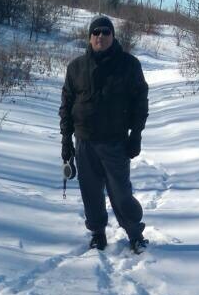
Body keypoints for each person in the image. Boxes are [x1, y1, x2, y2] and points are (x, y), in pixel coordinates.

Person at [60, 15, 149, 253]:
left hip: (115, 143)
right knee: (90, 193)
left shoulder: (129, 65)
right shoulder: (76, 67)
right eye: (96, 32)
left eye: (106, 32)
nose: (100, 36)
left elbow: (141, 103)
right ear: (90, 37)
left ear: (113, 36)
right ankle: (98, 233)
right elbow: (66, 106)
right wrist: (66, 142)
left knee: (120, 193)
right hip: (84, 142)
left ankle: (135, 234)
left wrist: (136, 135)